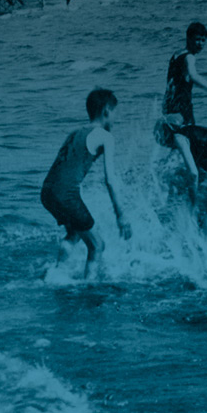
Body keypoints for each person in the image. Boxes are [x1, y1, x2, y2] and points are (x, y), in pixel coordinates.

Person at [40, 89, 130, 279]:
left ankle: (56, 275)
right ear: (106, 111)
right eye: (114, 113)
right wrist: (120, 215)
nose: (115, 119)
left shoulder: (74, 132)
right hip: (66, 194)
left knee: (74, 234)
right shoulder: (105, 137)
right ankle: (89, 289)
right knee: (97, 245)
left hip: (47, 192)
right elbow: (110, 180)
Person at [155, 114, 207, 243]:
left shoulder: (179, 137)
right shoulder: (197, 132)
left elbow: (193, 174)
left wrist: (192, 206)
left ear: (167, 130)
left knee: (204, 243)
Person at [163, 22, 207, 128]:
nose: (200, 44)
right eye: (197, 39)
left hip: (169, 104)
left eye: (203, 40)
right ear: (188, 38)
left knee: (177, 136)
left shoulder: (177, 54)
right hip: (182, 107)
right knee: (189, 135)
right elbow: (193, 76)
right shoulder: (189, 57)